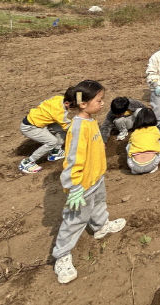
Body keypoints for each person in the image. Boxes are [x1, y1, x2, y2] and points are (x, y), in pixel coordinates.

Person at [52, 80, 126, 284]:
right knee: (75, 219)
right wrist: (74, 187)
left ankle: (100, 226)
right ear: (83, 104)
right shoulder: (78, 128)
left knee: (99, 204)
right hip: (82, 185)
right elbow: (73, 160)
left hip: (96, 178)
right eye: (99, 100)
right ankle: (62, 255)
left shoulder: (90, 120)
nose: (103, 104)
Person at [18, 87, 75, 174]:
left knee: (60, 130)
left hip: (39, 121)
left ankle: (55, 152)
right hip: (30, 127)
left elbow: (42, 103)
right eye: (74, 105)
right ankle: (28, 162)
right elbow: (69, 127)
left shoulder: (58, 98)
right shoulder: (60, 112)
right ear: (67, 103)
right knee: (52, 142)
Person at [125, 109, 160, 174]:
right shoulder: (155, 130)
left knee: (129, 145)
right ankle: (153, 168)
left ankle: (136, 170)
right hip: (152, 164)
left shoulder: (135, 132)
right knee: (159, 142)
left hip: (134, 166)